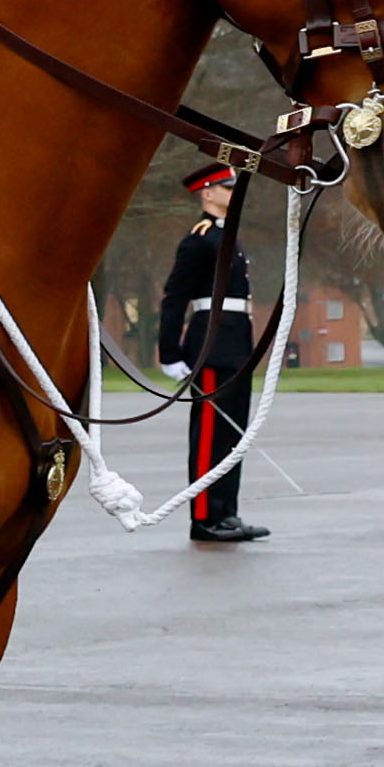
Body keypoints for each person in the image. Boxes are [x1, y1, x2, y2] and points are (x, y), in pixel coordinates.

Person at [157, 161, 273, 544]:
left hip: (236, 344)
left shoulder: (228, 237)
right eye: (226, 188)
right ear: (207, 194)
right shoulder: (199, 239)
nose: (233, 193)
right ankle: (205, 517)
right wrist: (170, 353)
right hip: (210, 345)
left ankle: (227, 512)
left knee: (233, 433)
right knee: (209, 435)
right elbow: (174, 299)